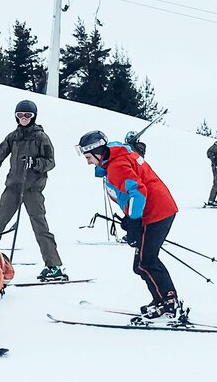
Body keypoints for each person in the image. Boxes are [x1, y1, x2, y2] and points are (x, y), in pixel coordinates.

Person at [77, 130, 181, 320]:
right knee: (142, 263)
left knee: (146, 262)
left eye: (89, 157)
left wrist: (134, 221)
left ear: (99, 152)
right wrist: (131, 218)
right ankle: (162, 299)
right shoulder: (117, 158)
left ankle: (169, 303)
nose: (88, 162)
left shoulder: (117, 166)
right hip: (157, 211)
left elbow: (138, 192)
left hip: (156, 213)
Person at [0, 100, 65, 281]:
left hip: (32, 189)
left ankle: (54, 266)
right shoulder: (13, 136)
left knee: (39, 226)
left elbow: (51, 162)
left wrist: (35, 163)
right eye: (20, 115)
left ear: (34, 117)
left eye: (27, 116)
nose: (23, 119)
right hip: (13, 188)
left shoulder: (41, 137)